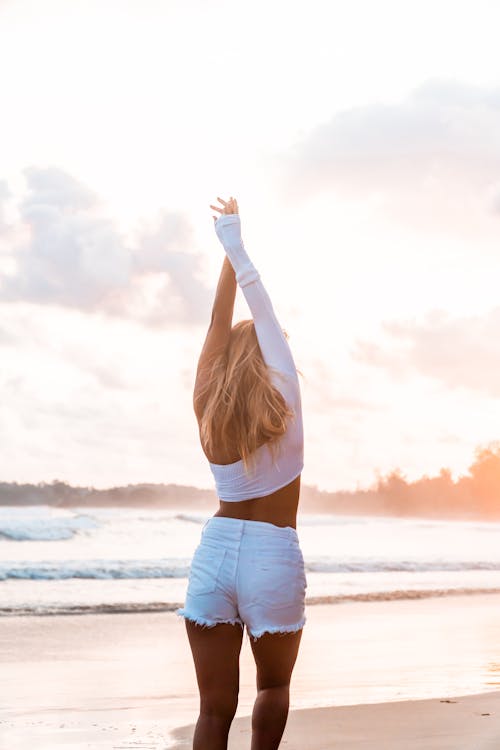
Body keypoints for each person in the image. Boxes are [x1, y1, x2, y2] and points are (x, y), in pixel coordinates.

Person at [176, 195, 307, 750]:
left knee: (212, 712)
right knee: (271, 688)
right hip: (271, 554)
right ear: (269, 358)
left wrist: (228, 249)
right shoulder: (286, 397)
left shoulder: (207, 399)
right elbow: (264, 313)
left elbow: (215, 325)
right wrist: (234, 243)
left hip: (215, 549)